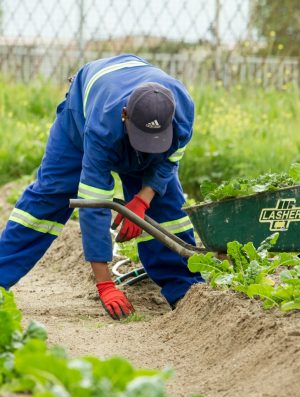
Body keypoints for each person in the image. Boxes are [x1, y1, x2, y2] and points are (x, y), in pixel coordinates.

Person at [0, 54, 203, 319]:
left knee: (164, 207)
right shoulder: (103, 127)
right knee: (50, 196)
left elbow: (169, 162)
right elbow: (93, 205)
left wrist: (143, 198)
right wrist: (105, 283)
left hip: (133, 109)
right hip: (81, 114)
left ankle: (185, 291)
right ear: (124, 116)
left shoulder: (182, 113)